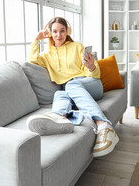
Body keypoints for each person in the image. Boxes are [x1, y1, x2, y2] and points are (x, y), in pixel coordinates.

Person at [26, 16, 119, 157]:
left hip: (91, 84)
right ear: (50, 33)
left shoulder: (77, 46)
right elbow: (32, 59)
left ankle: (104, 125)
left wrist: (92, 67)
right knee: (59, 94)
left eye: (62, 31)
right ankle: (58, 117)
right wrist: (36, 39)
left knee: (70, 85)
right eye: (55, 31)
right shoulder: (46, 55)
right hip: (71, 91)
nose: (59, 35)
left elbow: (95, 75)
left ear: (67, 31)